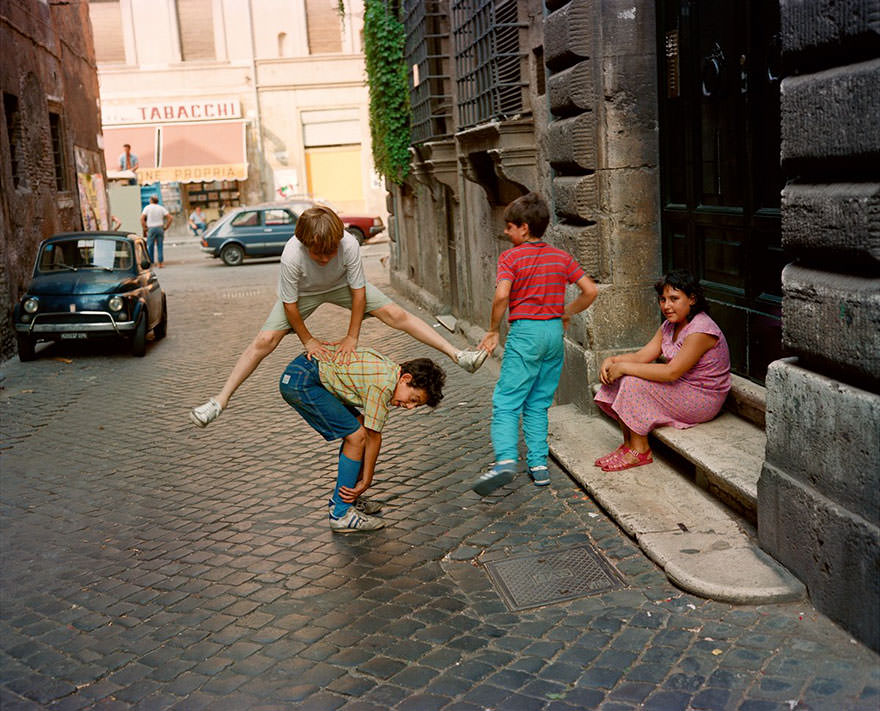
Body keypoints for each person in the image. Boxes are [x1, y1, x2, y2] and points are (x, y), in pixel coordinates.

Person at [190, 205, 487, 427]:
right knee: (265, 340)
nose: (325, 258)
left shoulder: (349, 244)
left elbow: (358, 293)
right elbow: (290, 305)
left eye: (330, 252)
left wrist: (351, 337)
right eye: (318, 253)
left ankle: (458, 354)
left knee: (396, 313)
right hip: (303, 294)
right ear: (305, 244)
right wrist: (307, 341)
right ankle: (220, 400)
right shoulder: (292, 255)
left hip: (343, 287)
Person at [471, 192, 598, 495]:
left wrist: (492, 329)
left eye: (510, 227)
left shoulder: (510, 258)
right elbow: (590, 291)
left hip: (525, 332)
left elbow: (502, 296)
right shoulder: (561, 257)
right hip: (554, 333)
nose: (506, 232)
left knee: (506, 401)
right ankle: (539, 465)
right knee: (539, 403)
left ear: (524, 228)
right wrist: (566, 313)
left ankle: (504, 461)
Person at [279, 344, 446, 532]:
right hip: (302, 381)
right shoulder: (383, 385)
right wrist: (366, 480)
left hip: (304, 372)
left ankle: (350, 498)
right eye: (413, 399)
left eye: (416, 405)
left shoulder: (390, 370)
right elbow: (374, 436)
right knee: (357, 436)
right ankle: (340, 513)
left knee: (359, 427)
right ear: (406, 379)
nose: (409, 407)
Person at [592, 269, 731, 471]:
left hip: (702, 398)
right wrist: (613, 360)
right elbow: (642, 356)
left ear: (692, 299)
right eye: (662, 299)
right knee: (620, 376)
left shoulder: (701, 330)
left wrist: (624, 368)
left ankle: (640, 450)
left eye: (674, 299)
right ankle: (629, 445)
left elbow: (671, 372)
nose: (666, 306)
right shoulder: (669, 326)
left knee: (631, 380)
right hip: (680, 387)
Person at [140, 196, 172, 267]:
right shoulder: (161, 208)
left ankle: (151, 262)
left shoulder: (147, 208)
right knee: (160, 245)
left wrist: (144, 227)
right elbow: (170, 217)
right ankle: (160, 263)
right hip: (160, 228)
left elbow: (142, 218)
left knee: (150, 246)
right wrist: (166, 226)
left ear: (151, 201)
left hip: (151, 228)